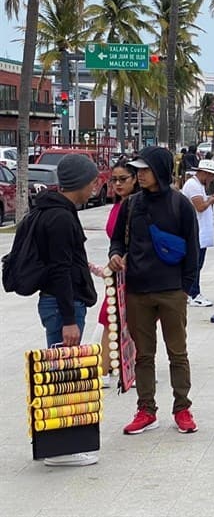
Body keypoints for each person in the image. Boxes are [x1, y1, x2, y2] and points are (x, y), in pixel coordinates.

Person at [108, 146, 200, 435]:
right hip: (138, 290)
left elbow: (193, 248)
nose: (140, 175)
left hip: (171, 289)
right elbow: (117, 241)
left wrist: (186, 287)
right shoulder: (131, 204)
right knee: (143, 355)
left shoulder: (180, 204)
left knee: (177, 352)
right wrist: (115, 254)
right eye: (138, 170)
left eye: (144, 170)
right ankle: (146, 409)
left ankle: (182, 407)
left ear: (159, 170)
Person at [33, 154, 100, 466]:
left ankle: (54, 442)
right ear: (82, 183)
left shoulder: (55, 211)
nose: (95, 186)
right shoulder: (60, 217)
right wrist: (70, 320)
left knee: (60, 371)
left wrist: (87, 267)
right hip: (64, 303)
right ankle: (60, 449)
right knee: (63, 375)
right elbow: (59, 268)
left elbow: (62, 259)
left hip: (62, 300)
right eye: (92, 181)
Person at [94, 159, 140, 387]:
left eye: (123, 179)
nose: (117, 184)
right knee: (110, 317)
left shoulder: (136, 205)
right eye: (114, 180)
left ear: (135, 179)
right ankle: (111, 366)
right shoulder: (118, 205)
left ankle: (120, 366)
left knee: (128, 319)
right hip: (117, 270)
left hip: (134, 271)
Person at [181, 159, 214, 307]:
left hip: (201, 232)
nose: (212, 180)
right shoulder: (193, 186)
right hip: (196, 232)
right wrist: (210, 201)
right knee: (195, 265)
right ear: (204, 173)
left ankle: (193, 292)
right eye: (211, 177)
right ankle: (193, 293)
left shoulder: (199, 186)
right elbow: (200, 207)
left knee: (198, 264)